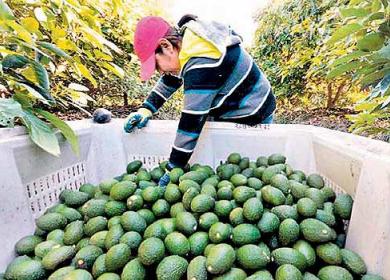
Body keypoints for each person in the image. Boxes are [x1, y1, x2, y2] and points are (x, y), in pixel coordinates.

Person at [124, 15, 276, 187]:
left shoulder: (203, 63)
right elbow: (171, 78)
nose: (159, 71)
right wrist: (146, 109)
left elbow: (191, 124)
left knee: (248, 170)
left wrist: (173, 168)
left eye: (156, 65)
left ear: (166, 46)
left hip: (252, 112)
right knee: (225, 170)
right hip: (231, 106)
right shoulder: (191, 42)